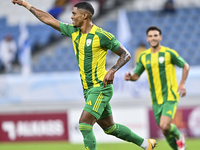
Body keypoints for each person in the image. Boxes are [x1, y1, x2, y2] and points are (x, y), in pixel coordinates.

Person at [12, 1, 157, 150]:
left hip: (100, 87)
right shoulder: (73, 31)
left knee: (84, 124)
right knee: (110, 128)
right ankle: (147, 144)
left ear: (85, 16)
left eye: (74, 14)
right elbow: (48, 19)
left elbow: (125, 55)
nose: (72, 16)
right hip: (88, 90)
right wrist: (26, 4)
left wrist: (112, 70)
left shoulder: (101, 35)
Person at [124, 26, 189, 150]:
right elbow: (136, 75)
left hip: (170, 95)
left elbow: (185, 66)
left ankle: (179, 135)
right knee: (165, 131)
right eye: (151, 36)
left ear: (160, 37)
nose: (153, 38)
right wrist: (130, 77)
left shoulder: (169, 53)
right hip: (155, 98)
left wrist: (182, 83)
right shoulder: (143, 56)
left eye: (155, 35)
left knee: (165, 126)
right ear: (147, 38)